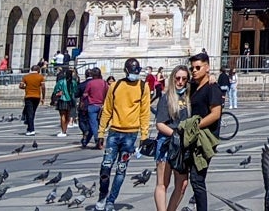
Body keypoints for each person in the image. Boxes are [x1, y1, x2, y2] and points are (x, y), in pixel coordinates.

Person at [96, 59, 152, 211]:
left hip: (131, 135)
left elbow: (145, 113)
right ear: (126, 71)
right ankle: (102, 195)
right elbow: (107, 110)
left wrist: (144, 136)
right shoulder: (115, 86)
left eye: (136, 71)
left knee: (121, 169)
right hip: (114, 132)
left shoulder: (143, 87)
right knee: (105, 167)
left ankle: (110, 201)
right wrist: (101, 132)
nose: (135, 74)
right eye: (132, 71)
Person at [180, 50, 224, 211]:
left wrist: (195, 127)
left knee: (197, 179)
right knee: (196, 179)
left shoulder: (212, 88)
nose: (194, 71)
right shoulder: (194, 86)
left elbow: (216, 114)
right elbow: (175, 83)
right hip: (194, 138)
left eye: (198, 67)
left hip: (205, 139)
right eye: (192, 68)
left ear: (207, 67)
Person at [151, 64, 191, 211]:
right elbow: (160, 124)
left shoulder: (188, 98)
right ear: (173, 78)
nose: (180, 81)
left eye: (184, 79)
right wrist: (175, 135)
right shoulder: (166, 98)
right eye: (178, 78)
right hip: (167, 142)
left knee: (182, 183)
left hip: (183, 145)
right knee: (163, 183)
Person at [51, 66, 80, 141]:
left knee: (62, 115)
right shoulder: (73, 82)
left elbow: (55, 90)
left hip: (63, 99)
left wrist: (58, 94)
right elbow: (76, 90)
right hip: (70, 100)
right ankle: (65, 129)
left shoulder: (61, 81)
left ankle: (63, 130)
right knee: (68, 115)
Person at [81, 67, 107, 148]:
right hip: (101, 105)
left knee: (93, 125)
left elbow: (85, 94)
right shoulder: (104, 83)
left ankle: (97, 139)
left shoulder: (90, 83)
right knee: (99, 125)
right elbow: (107, 93)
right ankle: (86, 141)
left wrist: (82, 102)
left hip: (92, 105)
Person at [20, 63, 45, 136]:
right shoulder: (40, 77)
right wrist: (43, 97)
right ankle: (29, 128)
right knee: (32, 112)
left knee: (29, 113)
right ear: (38, 70)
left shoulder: (26, 77)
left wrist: (27, 87)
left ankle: (31, 129)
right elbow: (43, 87)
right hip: (37, 96)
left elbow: (21, 86)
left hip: (28, 96)